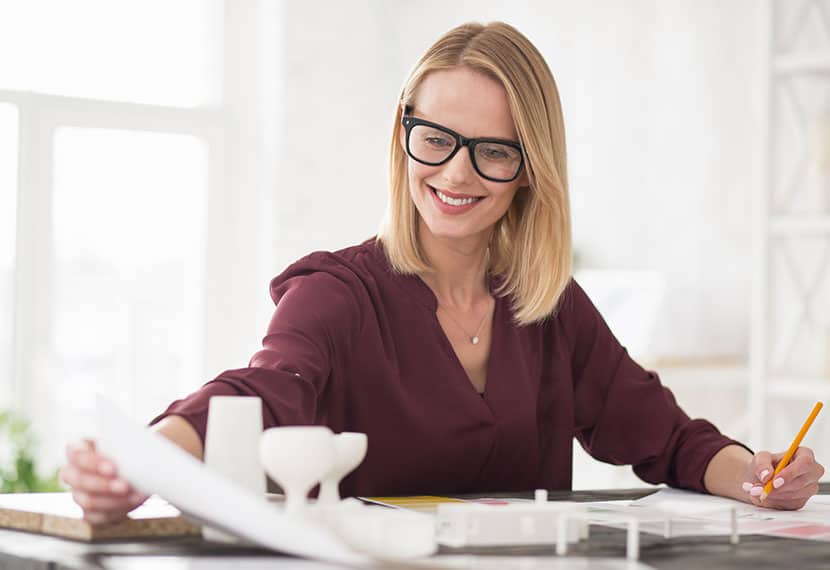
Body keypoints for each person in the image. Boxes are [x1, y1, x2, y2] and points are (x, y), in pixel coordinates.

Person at [61, 21, 824, 525]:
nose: (456, 173)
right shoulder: (338, 294)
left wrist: (758, 476)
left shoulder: (549, 306)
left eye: (493, 149)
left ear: (532, 168)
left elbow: (670, 439)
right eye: (436, 138)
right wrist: (141, 462)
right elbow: (256, 393)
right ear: (404, 138)